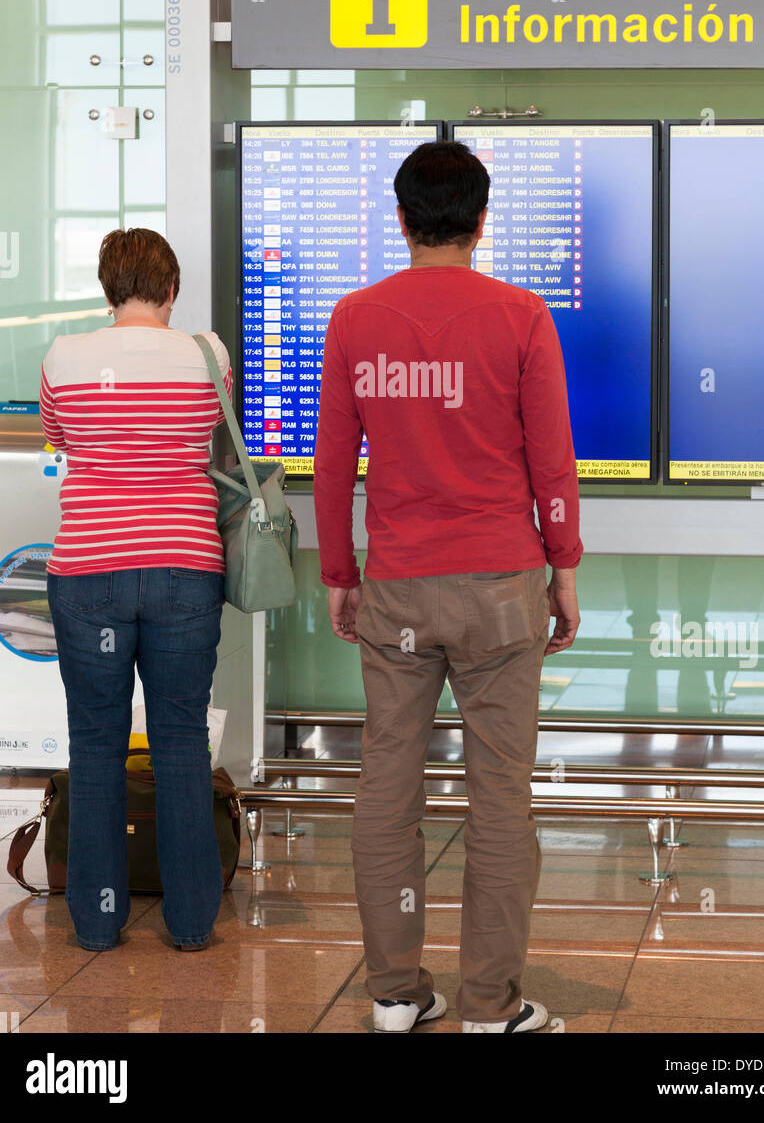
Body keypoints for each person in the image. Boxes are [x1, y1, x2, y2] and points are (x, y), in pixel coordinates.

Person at [313, 140, 583, 1034]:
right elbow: (551, 460)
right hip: (503, 588)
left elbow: (331, 469)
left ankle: (394, 995)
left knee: (388, 784)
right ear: (480, 220)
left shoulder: (357, 318)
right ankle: (486, 1007)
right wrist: (564, 567)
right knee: (499, 792)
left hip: (396, 588)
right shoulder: (521, 316)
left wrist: (339, 577)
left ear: (401, 219)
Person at [39, 228, 232, 952]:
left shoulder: (64, 355)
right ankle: (189, 924)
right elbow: (210, 432)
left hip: (89, 568)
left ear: (107, 287)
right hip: (185, 565)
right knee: (181, 740)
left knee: (96, 745)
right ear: (172, 288)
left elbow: (57, 441)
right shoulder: (206, 354)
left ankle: (95, 922)